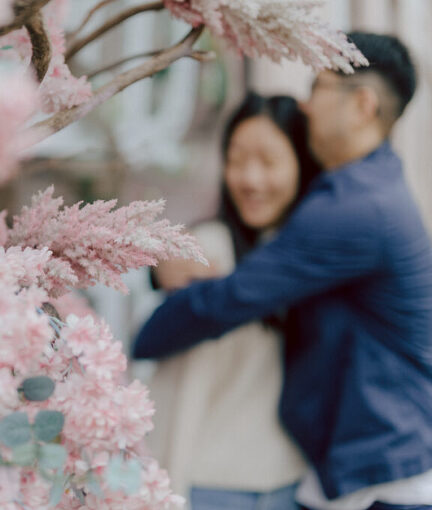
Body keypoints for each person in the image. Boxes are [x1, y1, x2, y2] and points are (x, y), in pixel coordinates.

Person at [133, 32, 432, 510]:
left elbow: (231, 298)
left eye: (319, 88)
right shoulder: (370, 185)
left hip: (380, 472)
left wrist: (143, 334)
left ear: (363, 106)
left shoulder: (355, 207)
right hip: (367, 459)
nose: (308, 106)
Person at [146, 92, 318, 510]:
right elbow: (182, 381)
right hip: (214, 484)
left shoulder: (312, 254)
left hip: (292, 482)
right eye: (237, 159)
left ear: (302, 162)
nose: (250, 179)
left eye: (268, 161)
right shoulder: (210, 250)